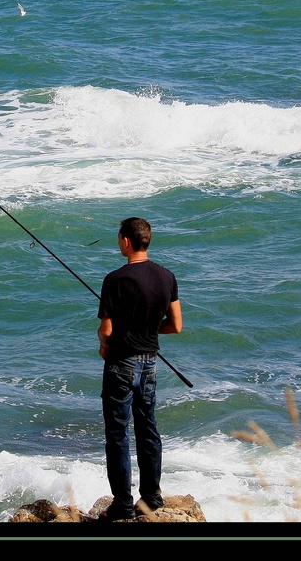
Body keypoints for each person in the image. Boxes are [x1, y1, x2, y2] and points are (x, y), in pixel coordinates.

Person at [96, 217, 182, 521]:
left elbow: (106, 329)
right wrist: (148, 329)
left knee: (118, 433)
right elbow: (176, 325)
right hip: (150, 363)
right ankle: (151, 496)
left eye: (119, 237)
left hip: (121, 364)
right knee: (148, 428)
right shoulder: (167, 276)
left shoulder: (115, 280)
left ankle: (123, 503)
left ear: (126, 241)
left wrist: (104, 345)